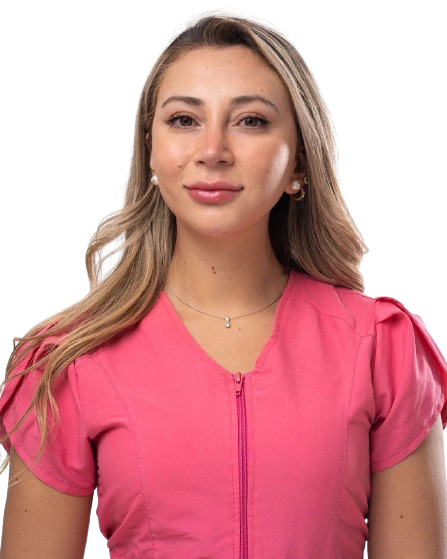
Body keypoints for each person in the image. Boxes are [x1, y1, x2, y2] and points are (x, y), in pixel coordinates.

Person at [0, 8, 446, 559]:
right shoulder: (68, 360)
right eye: (184, 119)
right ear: (151, 150)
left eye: (250, 120)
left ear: (299, 161)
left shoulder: (384, 348)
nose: (212, 151)